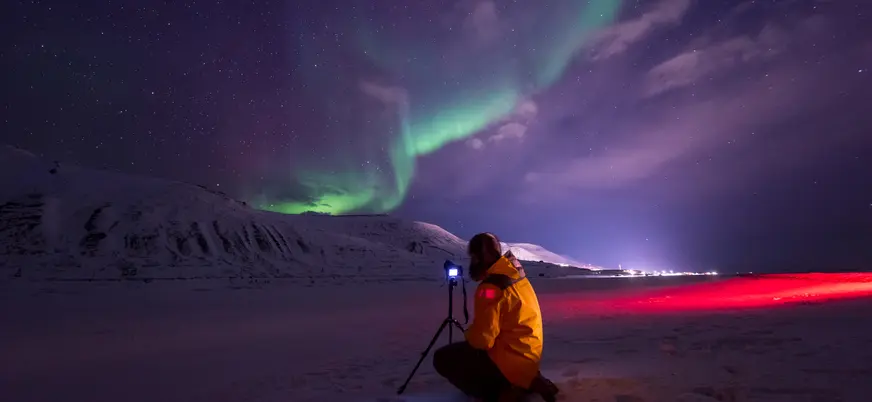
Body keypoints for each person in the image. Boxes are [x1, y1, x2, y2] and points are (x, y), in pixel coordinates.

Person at [433, 232, 559, 402]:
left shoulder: (490, 288)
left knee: (442, 358)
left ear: (481, 257)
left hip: (509, 360)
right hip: (528, 354)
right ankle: (526, 379)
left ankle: (499, 392)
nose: (472, 262)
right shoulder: (515, 274)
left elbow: (483, 341)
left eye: (473, 257)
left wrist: (469, 333)